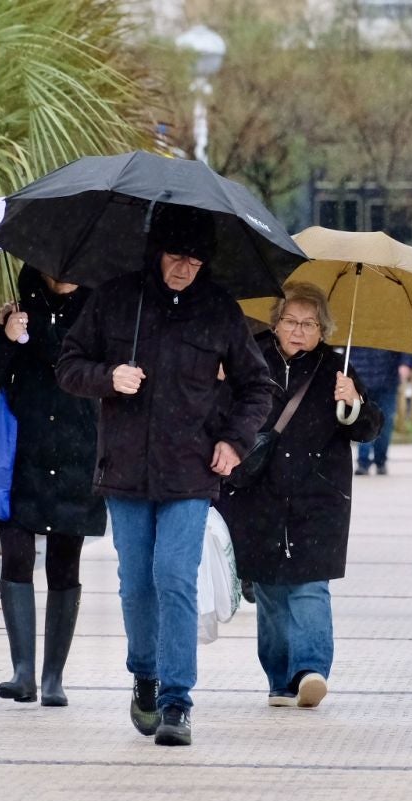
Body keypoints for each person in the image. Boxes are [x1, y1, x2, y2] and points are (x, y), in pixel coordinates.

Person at [56, 206, 275, 747]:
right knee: (137, 582)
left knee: (175, 576)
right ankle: (145, 676)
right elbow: (68, 366)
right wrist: (109, 376)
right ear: (158, 251)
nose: (185, 269)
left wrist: (234, 441)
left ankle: (178, 700)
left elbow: (259, 386)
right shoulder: (114, 298)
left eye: (196, 260)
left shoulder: (220, 310)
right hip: (125, 468)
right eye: (177, 257)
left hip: (192, 469)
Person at [215, 282, 383, 709]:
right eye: (290, 320)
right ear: (275, 322)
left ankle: (311, 670)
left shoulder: (337, 367)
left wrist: (354, 403)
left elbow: (369, 429)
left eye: (308, 323)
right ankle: (279, 678)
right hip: (258, 493)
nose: (297, 330)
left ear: (322, 330)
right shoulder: (248, 358)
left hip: (318, 496)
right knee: (270, 588)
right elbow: (220, 414)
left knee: (310, 584)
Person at [0, 266, 103, 707]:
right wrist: (6, 336)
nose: (64, 273)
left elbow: (103, 375)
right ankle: (22, 671)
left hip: (77, 458)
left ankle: (53, 678)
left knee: (65, 567)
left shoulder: (101, 320)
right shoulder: (17, 316)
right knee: (17, 557)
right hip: (18, 459)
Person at [346, 347, 412, 475]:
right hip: (361, 378)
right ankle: (364, 461)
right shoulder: (354, 328)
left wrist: (406, 363)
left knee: (384, 421)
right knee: (365, 420)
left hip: (387, 378)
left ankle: (379, 459)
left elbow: (406, 345)